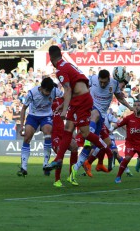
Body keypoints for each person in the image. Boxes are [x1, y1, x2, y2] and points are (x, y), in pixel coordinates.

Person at [44, 45, 113, 186]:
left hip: (81, 100)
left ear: (51, 57)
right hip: (78, 99)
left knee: (85, 133)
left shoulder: (60, 69)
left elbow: (68, 89)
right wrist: (63, 104)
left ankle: (108, 151)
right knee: (68, 128)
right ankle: (58, 159)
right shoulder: (67, 65)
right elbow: (72, 89)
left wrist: (64, 110)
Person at [74, 69, 133, 182]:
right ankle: (88, 140)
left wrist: (130, 107)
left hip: (101, 117)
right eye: (101, 82)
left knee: (92, 145)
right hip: (90, 110)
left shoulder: (114, 84)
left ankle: (75, 169)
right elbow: (81, 87)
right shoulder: (92, 79)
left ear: (108, 79)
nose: (102, 84)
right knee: (94, 115)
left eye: (104, 82)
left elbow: (119, 96)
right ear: (98, 79)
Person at [17, 77, 63, 177]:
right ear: (41, 88)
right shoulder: (32, 93)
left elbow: (66, 96)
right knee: (27, 137)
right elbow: (23, 108)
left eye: (49, 91)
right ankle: (24, 167)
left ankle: (45, 164)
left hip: (46, 116)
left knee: (47, 134)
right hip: (33, 116)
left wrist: (62, 105)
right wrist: (21, 126)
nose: (48, 94)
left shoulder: (54, 91)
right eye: (46, 91)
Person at [51, 97, 79, 187]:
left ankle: (71, 176)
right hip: (54, 133)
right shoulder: (49, 102)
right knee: (60, 153)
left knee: (74, 146)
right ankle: (57, 180)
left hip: (64, 132)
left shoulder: (67, 102)